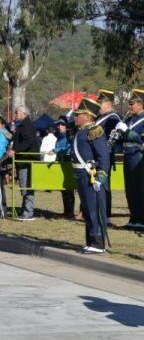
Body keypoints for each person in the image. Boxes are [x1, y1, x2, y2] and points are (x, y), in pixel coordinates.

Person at [71, 97, 111, 253]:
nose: (75, 117)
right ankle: (90, 240)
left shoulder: (95, 131)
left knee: (94, 209)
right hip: (81, 174)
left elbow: (103, 156)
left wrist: (101, 177)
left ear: (87, 117)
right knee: (87, 209)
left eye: (78, 114)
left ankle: (98, 243)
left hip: (91, 175)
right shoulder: (81, 131)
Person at [112, 88, 144, 229]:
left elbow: (140, 139)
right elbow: (123, 139)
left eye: (132, 104)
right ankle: (134, 218)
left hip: (138, 156)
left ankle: (141, 220)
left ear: (140, 105)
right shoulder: (129, 119)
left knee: (139, 188)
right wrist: (117, 135)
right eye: (129, 104)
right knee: (129, 189)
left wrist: (127, 131)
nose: (130, 107)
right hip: (127, 156)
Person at [8, 106, 39, 220]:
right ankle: (25, 210)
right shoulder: (23, 125)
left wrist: (15, 150)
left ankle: (28, 212)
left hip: (27, 161)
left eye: (16, 113)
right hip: (24, 160)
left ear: (24, 113)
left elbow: (28, 141)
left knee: (27, 187)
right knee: (24, 187)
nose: (15, 114)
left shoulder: (26, 125)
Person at [96, 89, 120, 219]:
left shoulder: (113, 118)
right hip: (98, 155)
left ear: (108, 104)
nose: (98, 107)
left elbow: (111, 139)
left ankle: (105, 214)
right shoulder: (100, 117)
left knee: (104, 184)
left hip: (104, 155)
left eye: (100, 103)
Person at [53, 118, 75, 218]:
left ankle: (70, 212)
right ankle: (66, 211)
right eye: (58, 125)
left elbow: (69, 148)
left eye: (62, 125)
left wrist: (56, 150)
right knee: (63, 189)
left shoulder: (70, 136)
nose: (60, 127)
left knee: (69, 188)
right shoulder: (59, 137)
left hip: (68, 162)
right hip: (61, 162)